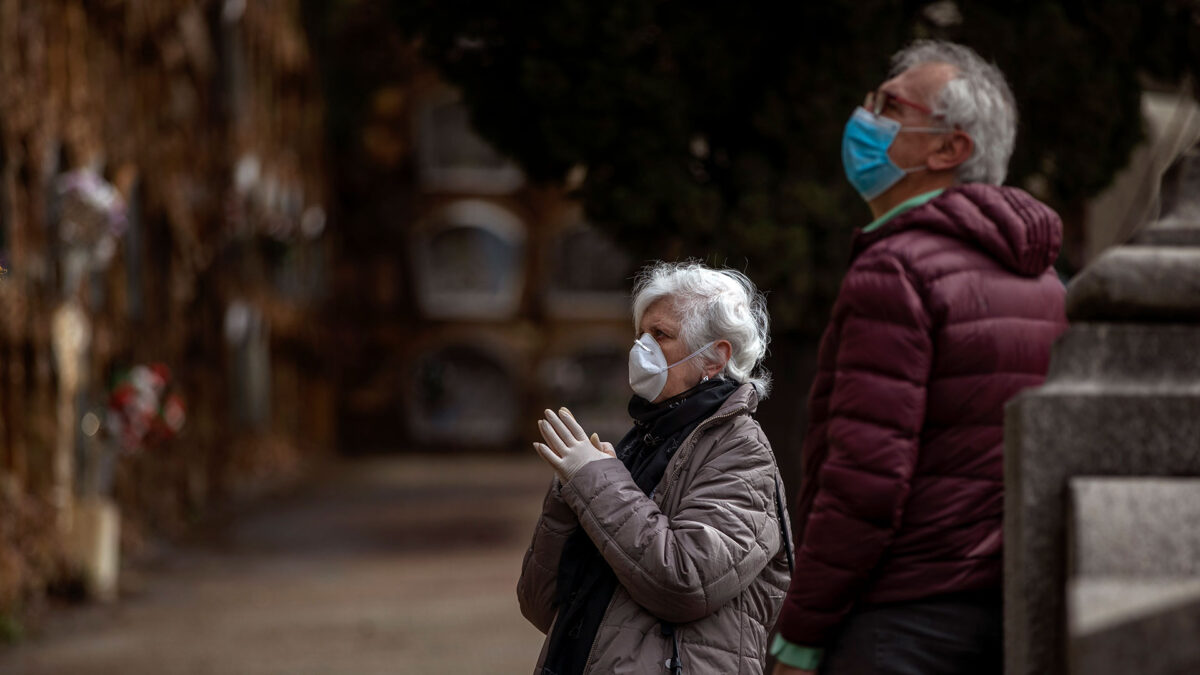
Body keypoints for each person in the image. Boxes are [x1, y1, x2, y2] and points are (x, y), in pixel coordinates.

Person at [771, 40, 1068, 674]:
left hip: (896, 621)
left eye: (889, 104)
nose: (863, 115)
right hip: (1002, 613)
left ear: (948, 149)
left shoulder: (896, 269)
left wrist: (800, 633)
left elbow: (865, 483)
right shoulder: (1048, 284)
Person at [518, 261, 794, 675]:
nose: (640, 349)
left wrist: (594, 482)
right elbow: (542, 606)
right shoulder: (641, 442)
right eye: (640, 335)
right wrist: (571, 491)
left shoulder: (741, 452)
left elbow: (685, 582)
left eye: (660, 335)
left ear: (716, 358)